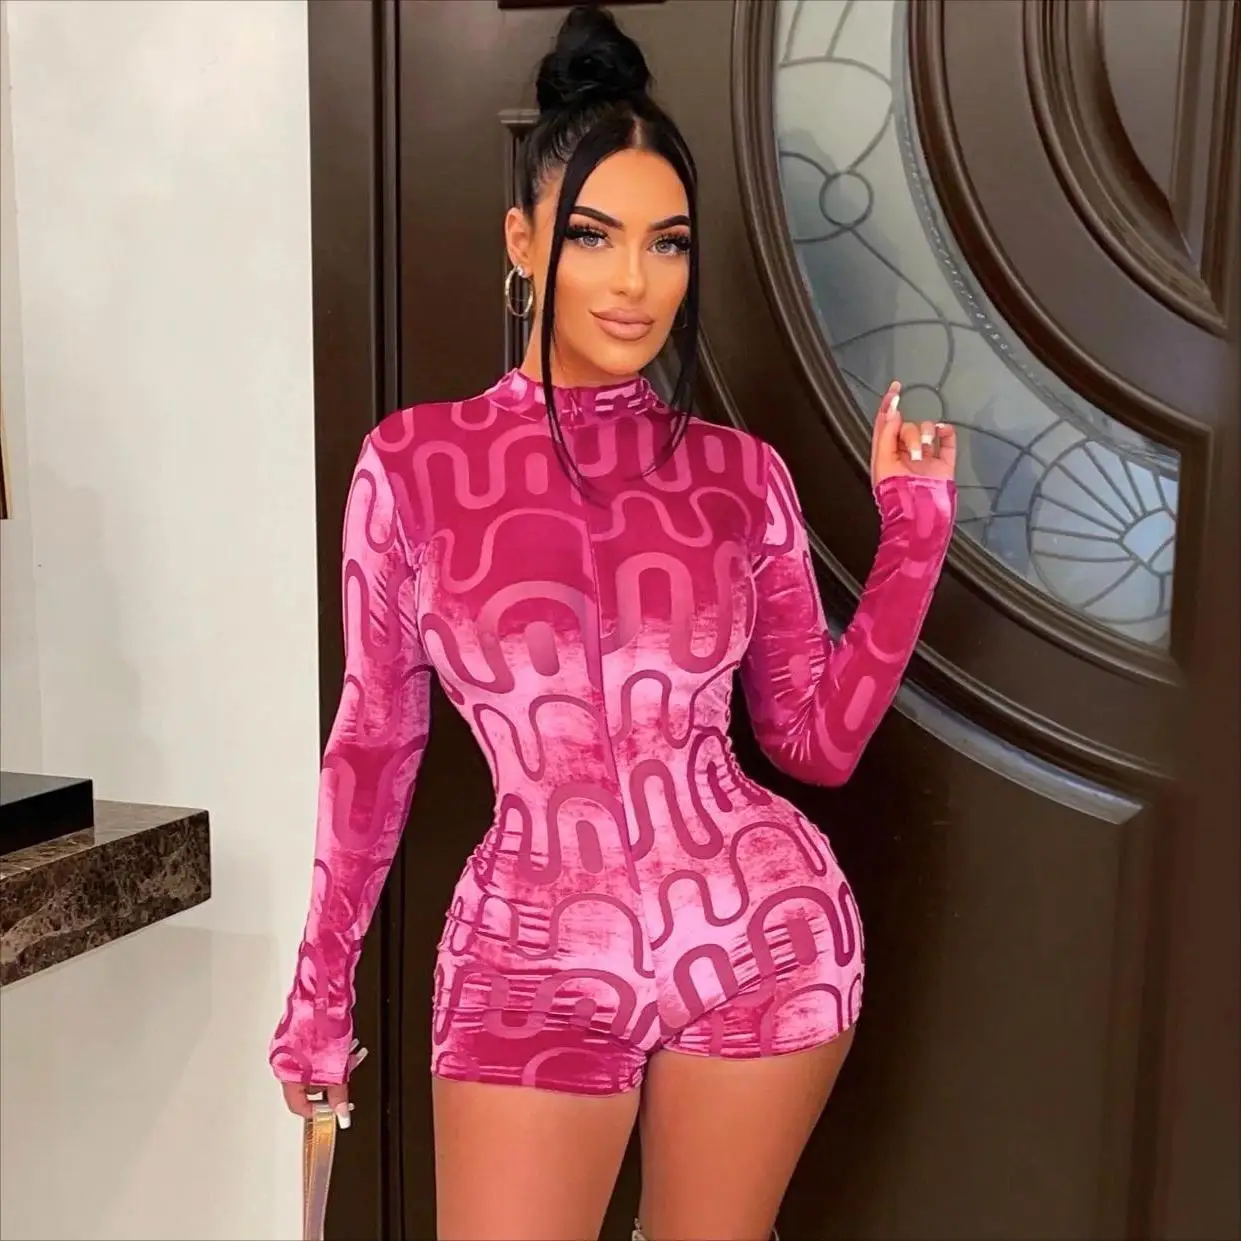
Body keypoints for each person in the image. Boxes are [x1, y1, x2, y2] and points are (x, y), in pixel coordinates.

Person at [270, 7, 957, 1239]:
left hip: (761, 941)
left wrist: (910, 534)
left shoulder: (740, 474)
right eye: (592, 235)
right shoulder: (413, 467)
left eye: (666, 242)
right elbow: (373, 745)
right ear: (523, 241)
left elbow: (812, 745)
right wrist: (320, 992)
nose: (635, 282)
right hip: (526, 956)